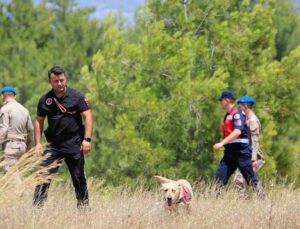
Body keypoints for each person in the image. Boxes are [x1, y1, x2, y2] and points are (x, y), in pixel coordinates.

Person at [32, 66, 93, 208]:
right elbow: (39, 121)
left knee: (78, 178)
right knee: (43, 177)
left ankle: (84, 209)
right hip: (53, 145)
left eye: (62, 80)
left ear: (65, 79)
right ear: (50, 82)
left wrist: (87, 139)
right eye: (56, 81)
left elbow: (88, 116)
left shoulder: (76, 96)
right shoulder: (45, 99)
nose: (59, 83)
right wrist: (38, 143)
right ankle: (36, 210)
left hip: (74, 143)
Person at [213, 90, 259, 193]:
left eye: (221, 100)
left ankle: (264, 202)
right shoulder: (227, 115)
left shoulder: (237, 114)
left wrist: (221, 143)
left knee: (252, 181)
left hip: (241, 152)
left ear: (227, 100)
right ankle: (216, 204)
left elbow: (237, 131)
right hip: (229, 152)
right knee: (219, 180)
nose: (220, 102)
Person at [0, 86, 34, 183]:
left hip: (11, 145)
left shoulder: (5, 109)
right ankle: (15, 197)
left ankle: (22, 193)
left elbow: (4, 128)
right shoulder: (24, 110)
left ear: (3, 96)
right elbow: (31, 130)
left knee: (11, 175)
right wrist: (28, 148)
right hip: (22, 146)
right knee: (15, 172)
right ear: (14, 96)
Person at [233, 96, 265, 191]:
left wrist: (254, 159)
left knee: (239, 180)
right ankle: (261, 200)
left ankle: (261, 200)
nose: (238, 108)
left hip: (253, 157)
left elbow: (255, 141)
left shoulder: (253, 121)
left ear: (245, 106)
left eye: (240, 106)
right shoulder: (247, 119)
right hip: (247, 156)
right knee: (248, 181)